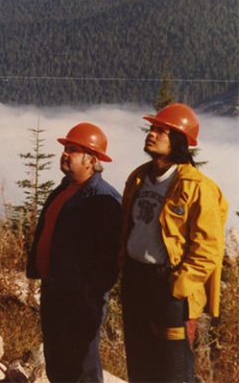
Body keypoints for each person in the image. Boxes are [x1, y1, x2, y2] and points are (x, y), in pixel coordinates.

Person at [120, 103, 228, 383]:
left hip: (168, 286)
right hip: (136, 279)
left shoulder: (197, 187)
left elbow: (209, 248)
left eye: (161, 130)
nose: (151, 134)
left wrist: (178, 286)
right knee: (140, 364)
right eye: (152, 128)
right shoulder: (139, 177)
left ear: (179, 141)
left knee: (173, 369)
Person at [26, 123, 122, 382]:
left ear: (91, 160)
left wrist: (88, 293)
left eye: (73, 150)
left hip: (80, 299)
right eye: (66, 149)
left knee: (81, 367)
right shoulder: (64, 189)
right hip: (54, 290)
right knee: (57, 363)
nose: (65, 154)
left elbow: (109, 258)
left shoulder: (104, 200)